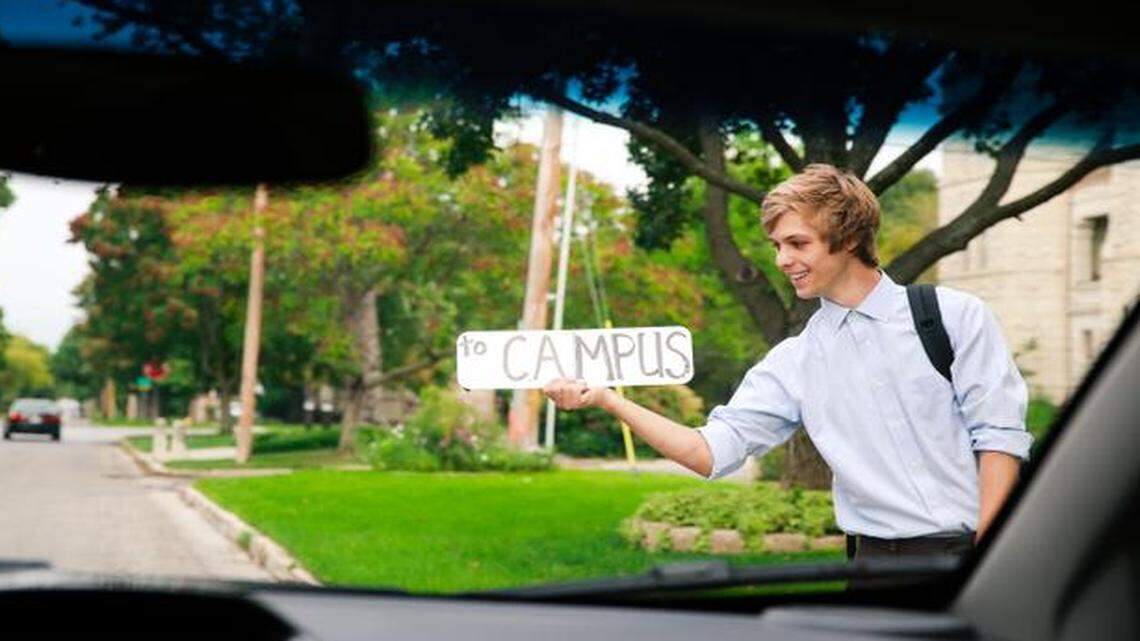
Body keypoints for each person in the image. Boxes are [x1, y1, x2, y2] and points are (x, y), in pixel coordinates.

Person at [543, 163, 1032, 563]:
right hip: (874, 568)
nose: (781, 260)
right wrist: (608, 399)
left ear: (849, 238)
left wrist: (989, 556)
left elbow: (999, 439)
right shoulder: (795, 361)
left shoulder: (953, 316)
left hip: (975, 552)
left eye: (798, 244)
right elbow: (710, 453)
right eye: (777, 246)